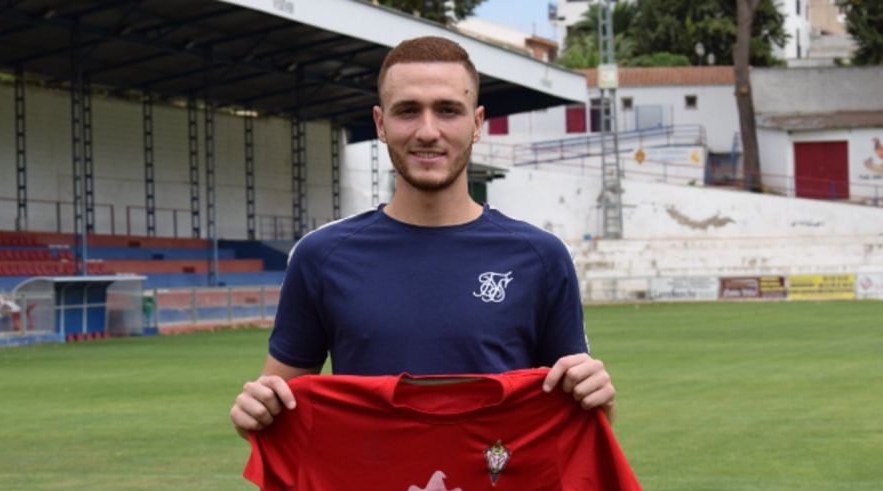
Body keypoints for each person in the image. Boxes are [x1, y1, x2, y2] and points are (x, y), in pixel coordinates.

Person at [230, 36, 615, 437]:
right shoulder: (321, 256)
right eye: (408, 111)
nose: (427, 131)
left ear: (477, 123)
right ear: (380, 123)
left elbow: (581, 418)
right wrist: (254, 413)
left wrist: (599, 398)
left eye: (448, 110)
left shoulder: (540, 257)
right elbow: (277, 410)